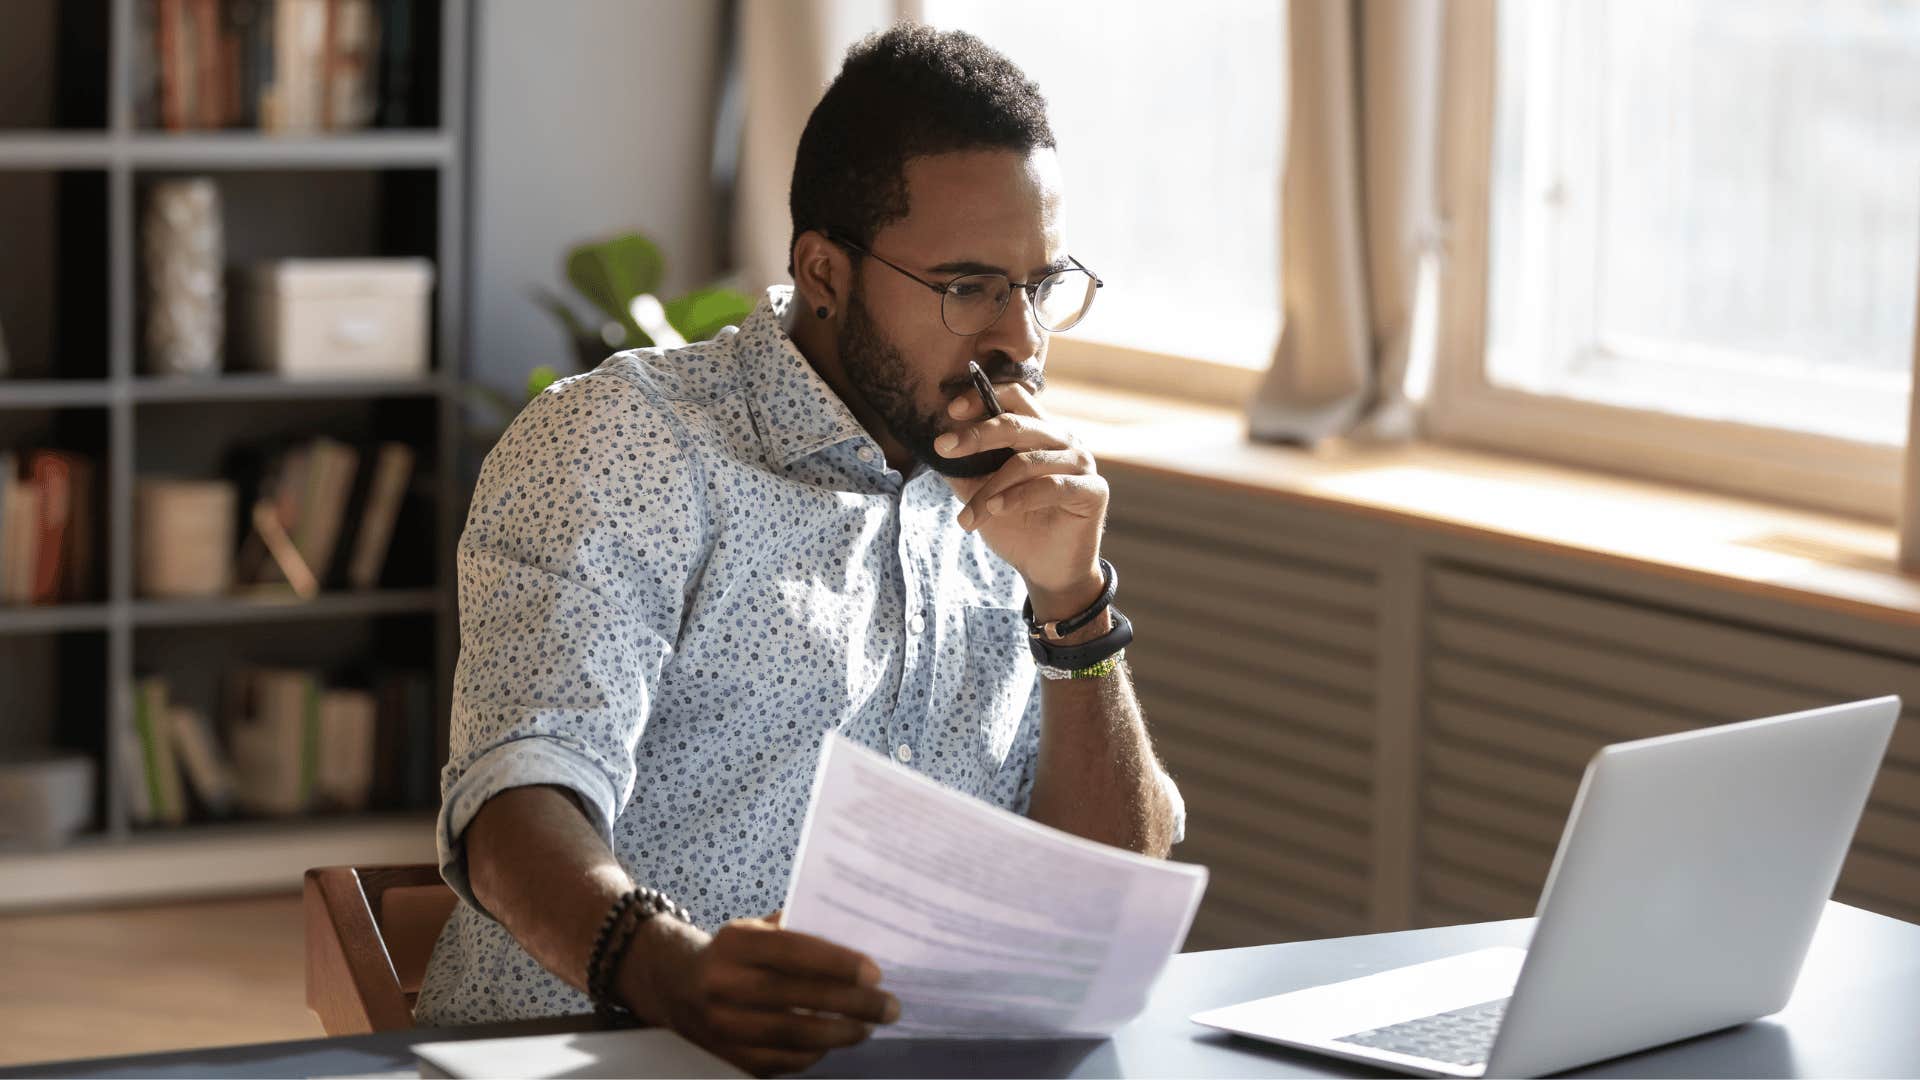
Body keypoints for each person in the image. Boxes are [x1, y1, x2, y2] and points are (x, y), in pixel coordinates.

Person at [415, 23, 1185, 1076]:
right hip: (589, 1057)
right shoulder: (627, 445)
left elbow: (1104, 896)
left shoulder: (1016, 500)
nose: (1021, 342)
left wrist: (1073, 605)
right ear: (824, 271)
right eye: (967, 288)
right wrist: (670, 971)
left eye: (1038, 287)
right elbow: (516, 801)